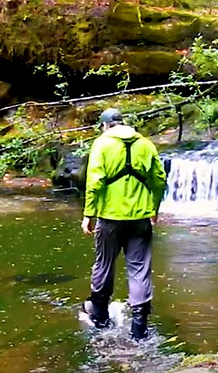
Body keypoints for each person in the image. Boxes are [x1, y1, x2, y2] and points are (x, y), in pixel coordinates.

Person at [80, 108, 167, 340]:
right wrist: (154, 208)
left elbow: (95, 182)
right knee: (139, 269)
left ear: (105, 125)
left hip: (109, 217)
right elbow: (159, 179)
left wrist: (89, 214)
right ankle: (139, 326)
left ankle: (99, 314)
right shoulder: (146, 144)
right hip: (140, 217)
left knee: (104, 263)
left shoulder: (102, 144)